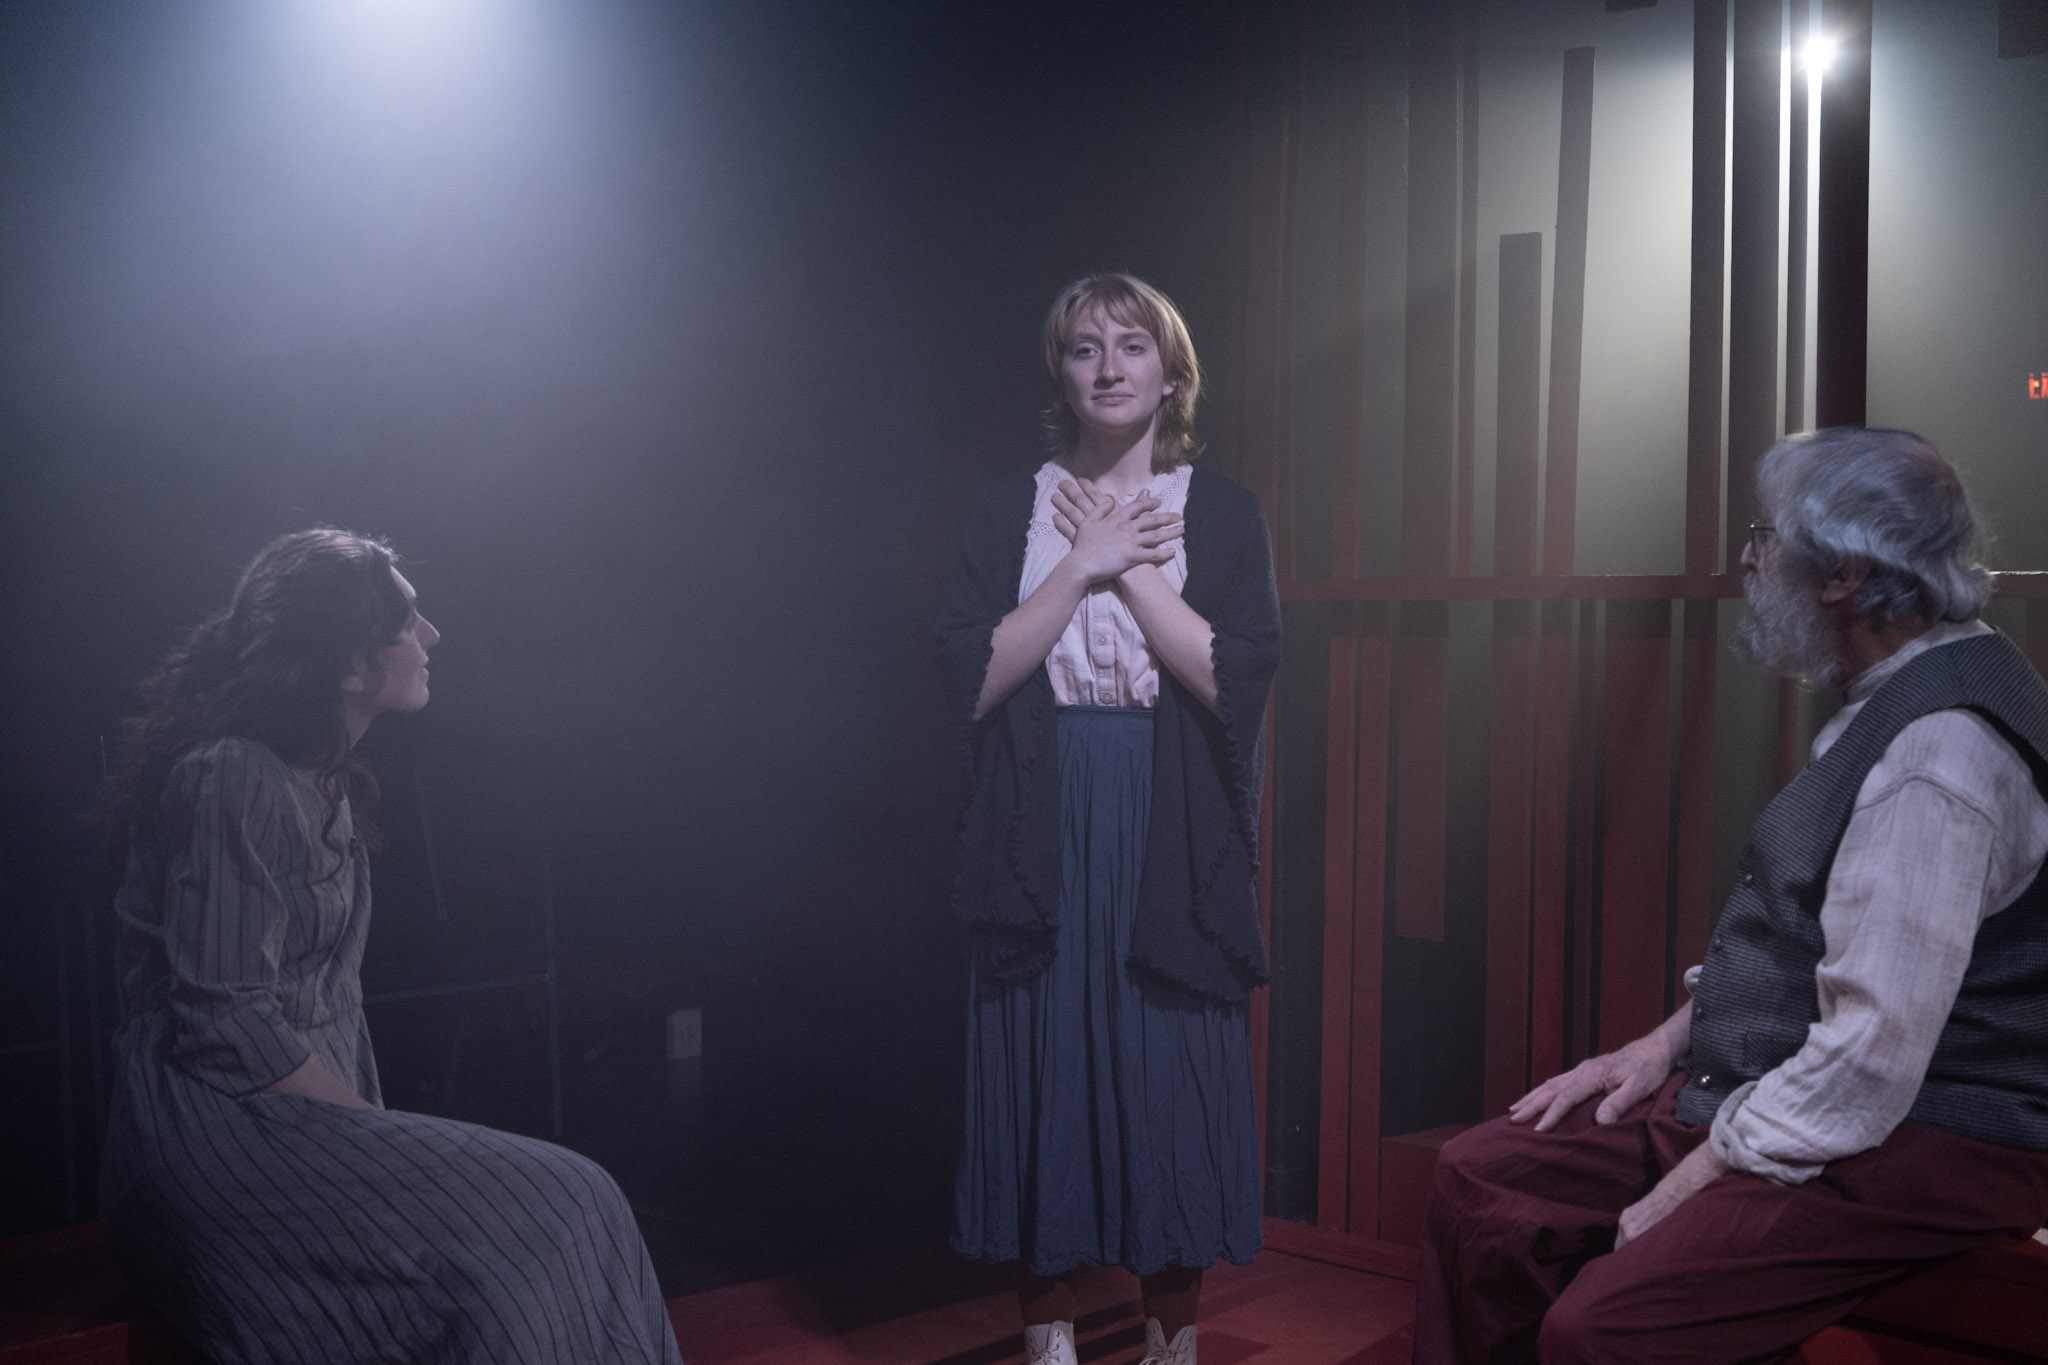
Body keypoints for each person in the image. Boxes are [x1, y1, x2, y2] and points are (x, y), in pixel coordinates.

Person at [1414, 428, 2048, 1364]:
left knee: (1604, 1331)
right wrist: (1658, 1046)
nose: (1749, 559)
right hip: (1812, 1088)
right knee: (1484, 1179)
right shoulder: (1896, 689)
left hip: (1933, 1136)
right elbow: (1811, 952)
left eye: (1764, 535)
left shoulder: (1937, 755)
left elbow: (1869, 1058)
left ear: (1844, 573)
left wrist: (1688, 1183)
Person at [96, 528, 685, 1365]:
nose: (431, 635)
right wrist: (375, 1132)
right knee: (565, 1199)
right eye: (407, 622)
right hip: (213, 1141)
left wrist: (386, 1146)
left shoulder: (321, 781)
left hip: (291, 1126)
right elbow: (225, 1021)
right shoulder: (233, 773)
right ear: (347, 661)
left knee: (549, 1226)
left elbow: (328, 1006)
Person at [937, 273, 1281, 1365]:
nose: (1108, 367)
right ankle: (1051, 1351)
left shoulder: (1222, 512)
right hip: (1040, 815)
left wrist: (1126, 570)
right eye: (1084, 349)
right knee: (1041, 1069)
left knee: (1168, 1073)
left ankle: (1169, 1352)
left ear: (1170, 373)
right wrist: (1078, 561)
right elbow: (969, 681)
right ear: (1062, 374)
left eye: (1131, 346)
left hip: (1164, 819)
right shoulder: (1007, 509)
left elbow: (1233, 684)